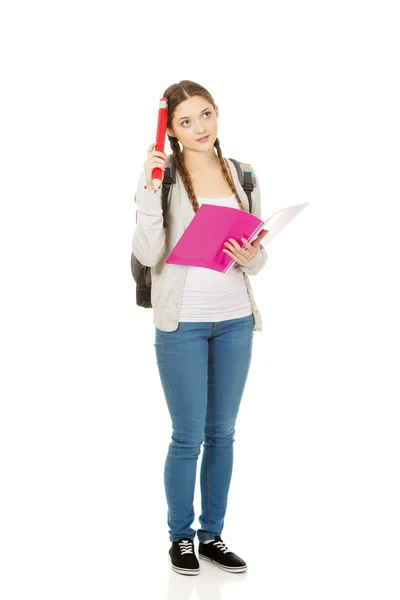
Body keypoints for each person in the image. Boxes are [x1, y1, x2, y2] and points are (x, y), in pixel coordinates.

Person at [132, 80, 269, 576]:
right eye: (186, 122)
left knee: (223, 433)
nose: (199, 128)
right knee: (188, 436)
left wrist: (252, 255)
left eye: (206, 115)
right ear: (170, 130)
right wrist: (148, 193)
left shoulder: (242, 174)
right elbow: (149, 254)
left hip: (233, 319)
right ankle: (180, 537)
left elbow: (257, 254)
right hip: (182, 324)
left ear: (217, 113)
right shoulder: (160, 177)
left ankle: (213, 535)